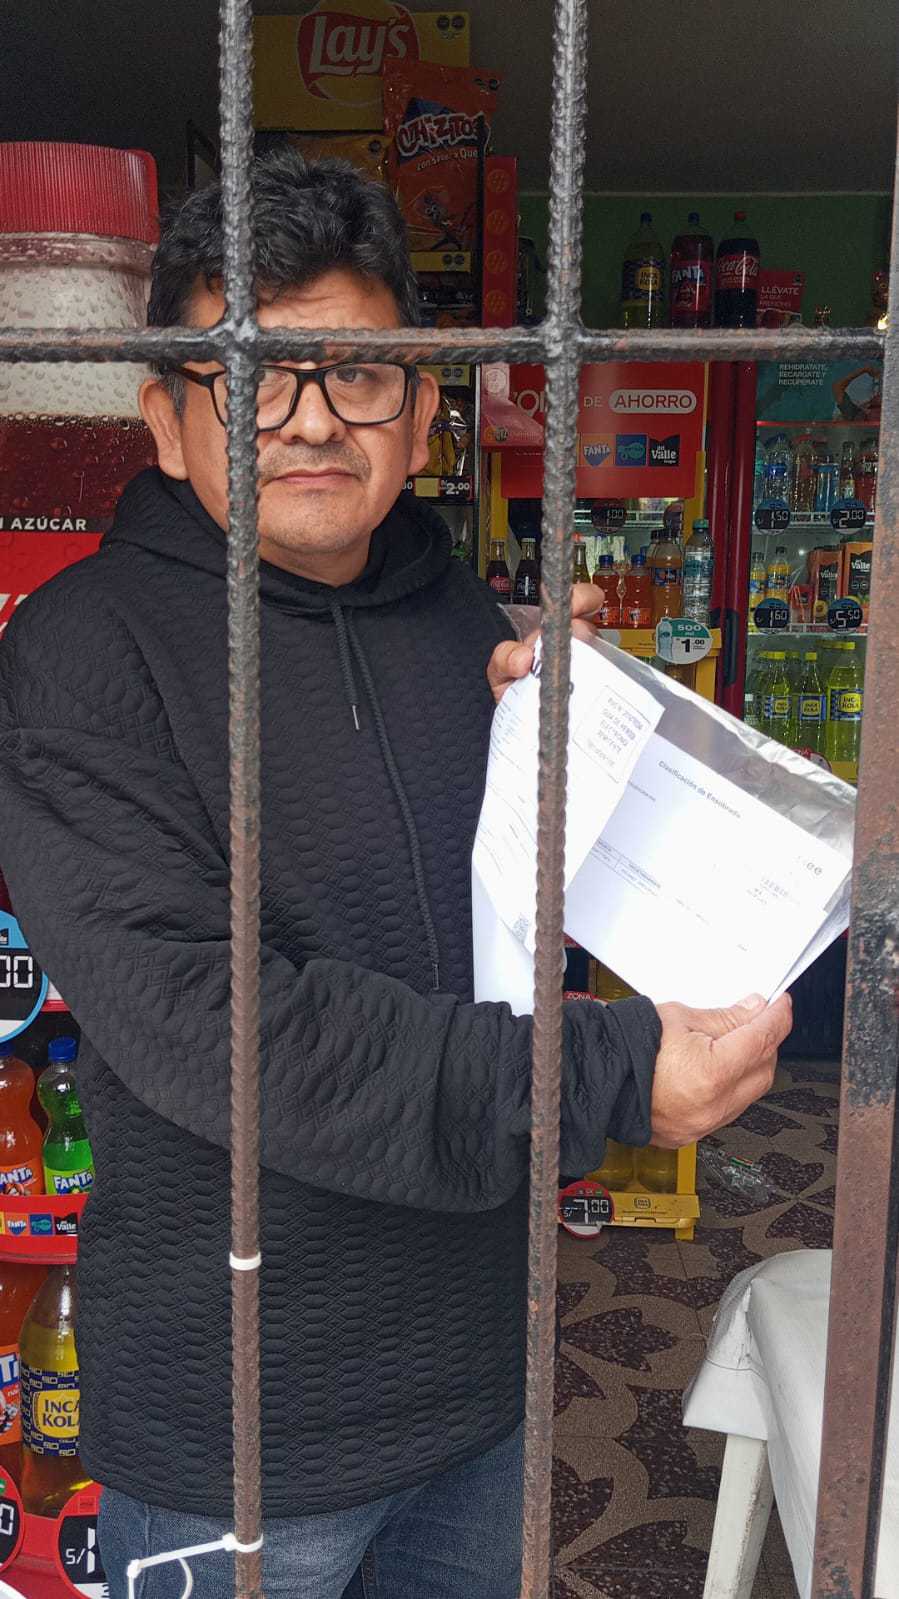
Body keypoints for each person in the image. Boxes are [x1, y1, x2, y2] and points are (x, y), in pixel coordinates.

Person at [0, 150, 791, 1599]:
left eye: (357, 374)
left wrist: (591, 749)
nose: (311, 418)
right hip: (237, 1429)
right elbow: (222, 1034)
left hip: (480, 1381)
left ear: (423, 414)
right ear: (168, 421)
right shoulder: (78, 658)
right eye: (256, 376)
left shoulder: (465, 628)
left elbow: (513, 930)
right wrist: (609, 1075)